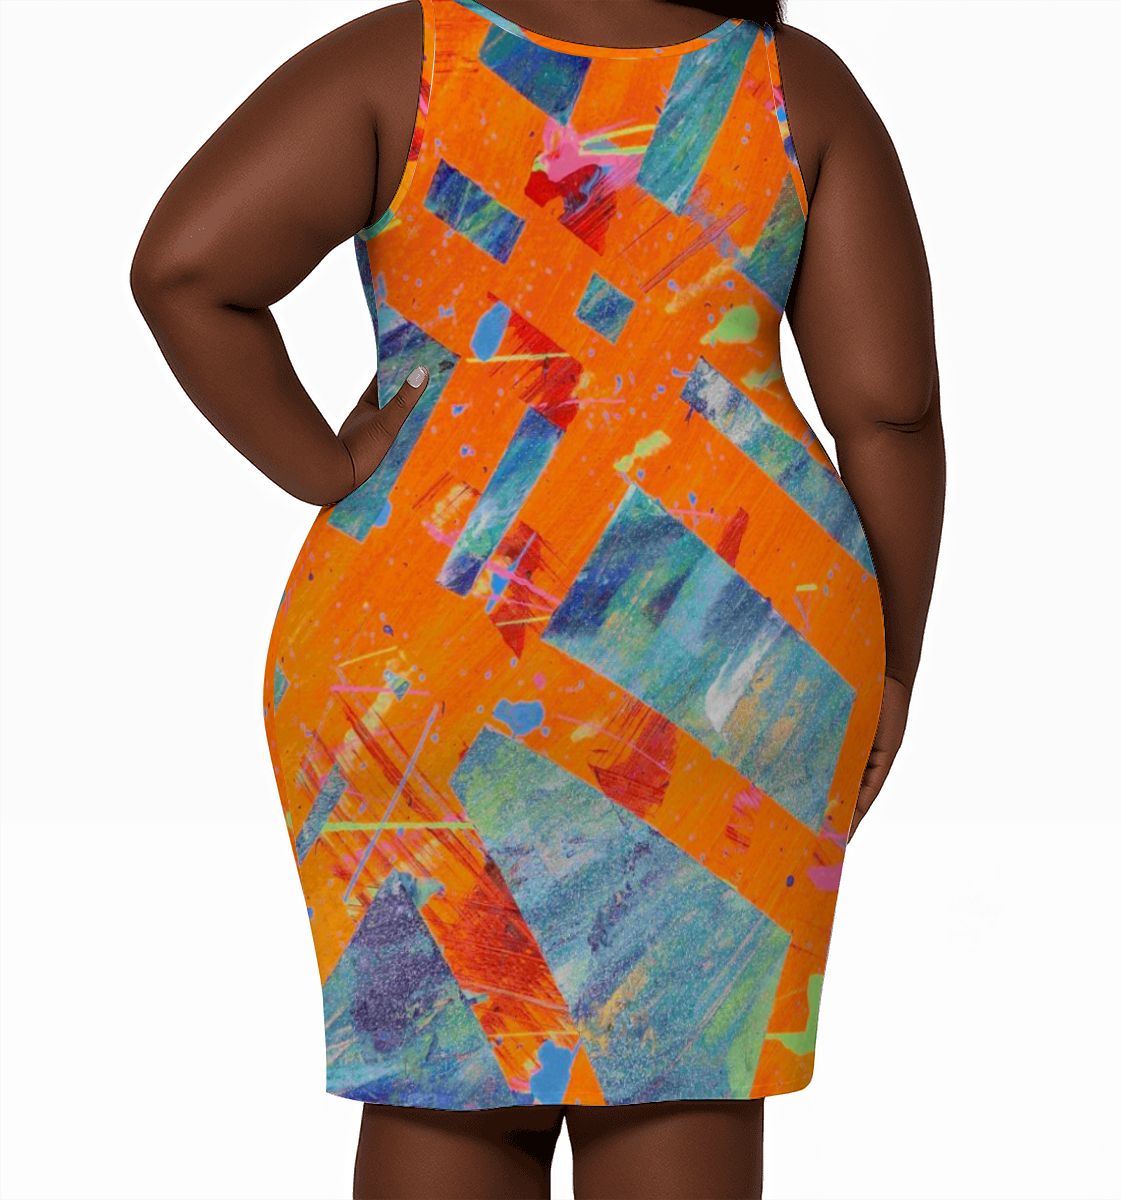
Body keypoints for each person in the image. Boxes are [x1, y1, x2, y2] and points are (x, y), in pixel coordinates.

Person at [130, 1, 944, 1196]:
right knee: (680, 1071)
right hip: (728, 652)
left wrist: (328, 466)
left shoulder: (407, 62)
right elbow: (891, 416)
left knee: (446, 1075)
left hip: (431, 639)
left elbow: (185, 268)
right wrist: (891, 665)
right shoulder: (791, 89)